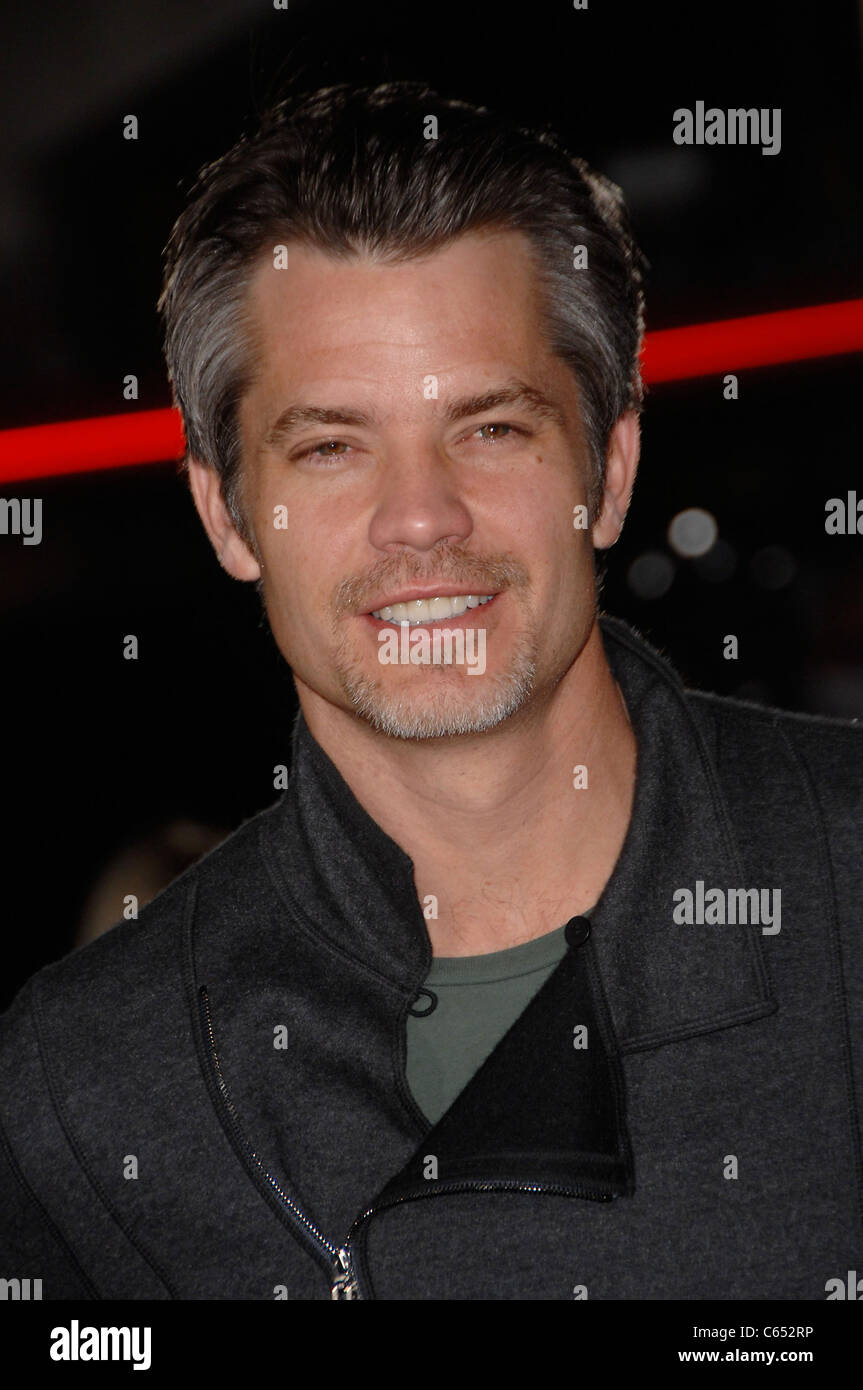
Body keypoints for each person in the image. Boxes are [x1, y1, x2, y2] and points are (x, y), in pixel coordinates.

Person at [1, 81, 860, 1301]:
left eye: (491, 428)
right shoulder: (82, 1086)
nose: (420, 518)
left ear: (608, 470)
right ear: (227, 512)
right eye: (331, 446)